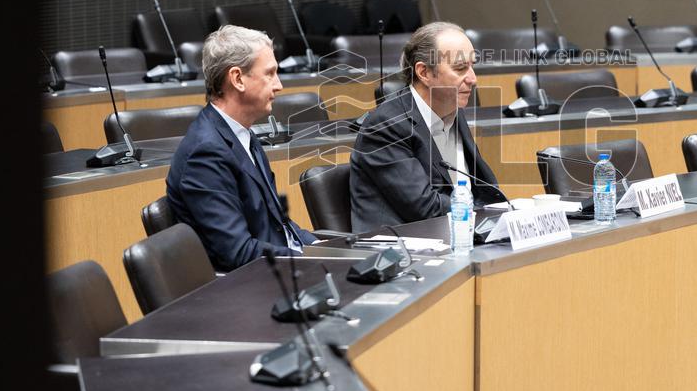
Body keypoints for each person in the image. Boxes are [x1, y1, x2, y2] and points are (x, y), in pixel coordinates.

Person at [167, 25, 316, 271]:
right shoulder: (205, 153)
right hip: (253, 286)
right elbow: (238, 252)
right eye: (269, 73)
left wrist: (326, 246)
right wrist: (312, 260)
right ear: (237, 79)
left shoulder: (241, 133)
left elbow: (279, 224)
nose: (278, 85)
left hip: (279, 268)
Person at [349, 21, 507, 232]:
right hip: (401, 249)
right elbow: (424, 208)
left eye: (472, 66)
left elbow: (479, 188)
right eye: (460, 68)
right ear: (424, 72)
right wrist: (484, 214)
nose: (473, 79)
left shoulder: (453, 111)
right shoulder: (386, 125)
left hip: (456, 232)